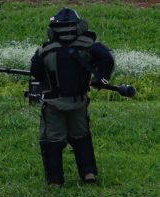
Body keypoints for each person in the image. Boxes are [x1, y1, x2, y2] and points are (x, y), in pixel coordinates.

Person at [30, 7, 115, 186]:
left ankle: (55, 181)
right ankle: (88, 173)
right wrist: (101, 79)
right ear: (78, 26)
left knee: (51, 142)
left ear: (53, 28)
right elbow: (108, 59)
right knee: (81, 137)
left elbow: (36, 73)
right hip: (79, 102)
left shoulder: (44, 51)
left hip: (53, 104)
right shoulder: (89, 45)